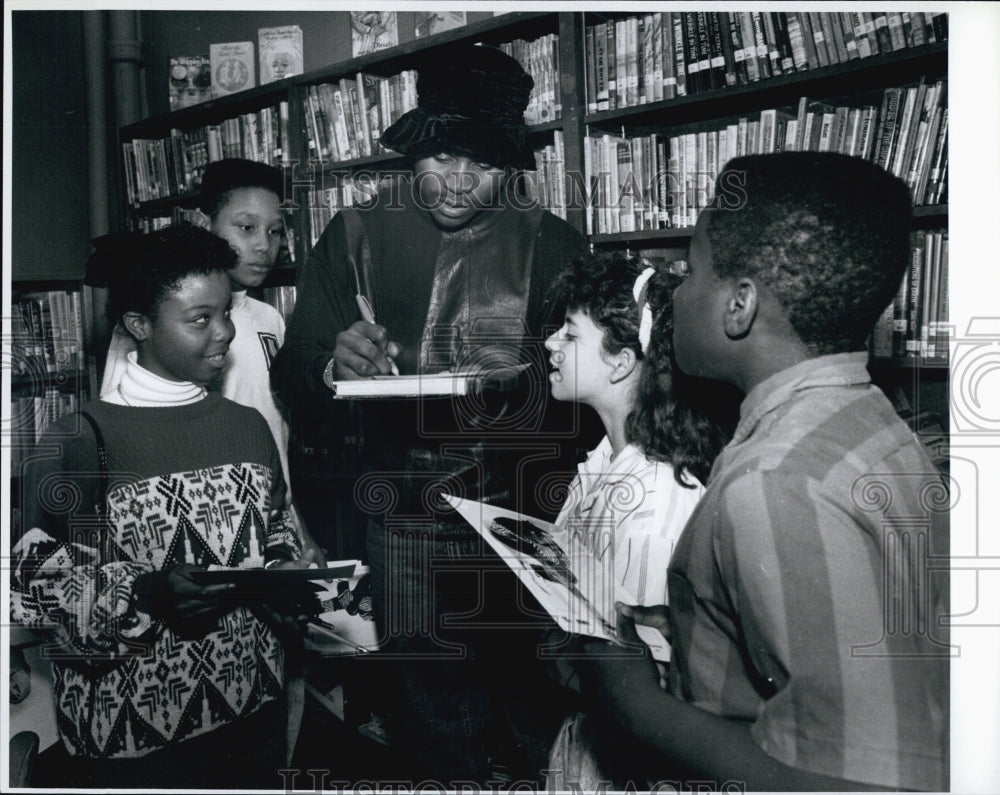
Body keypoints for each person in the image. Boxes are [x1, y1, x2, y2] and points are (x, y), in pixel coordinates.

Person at [565, 153, 949, 791]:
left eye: (690, 272)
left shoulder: (775, 481)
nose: (676, 292)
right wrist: (702, 629)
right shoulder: (867, 419)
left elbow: (856, 781)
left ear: (738, 306)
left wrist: (633, 702)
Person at [271, 43, 592, 784]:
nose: (455, 182)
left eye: (478, 164)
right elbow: (294, 372)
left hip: (519, 504)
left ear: (510, 165)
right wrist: (332, 361)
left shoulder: (554, 244)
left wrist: (527, 390)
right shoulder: (354, 234)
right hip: (400, 515)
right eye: (440, 158)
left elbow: (589, 408)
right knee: (423, 699)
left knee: (527, 696)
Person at [11, 225, 314, 789]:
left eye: (225, 312)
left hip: (251, 715)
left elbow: (275, 535)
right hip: (131, 737)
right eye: (200, 318)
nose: (224, 332)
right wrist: (146, 594)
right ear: (140, 325)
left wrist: (290, 586)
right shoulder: (78, 440)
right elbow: (34, 591)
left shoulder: (247, 426)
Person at [542, 254, 735, 790]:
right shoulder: (605, 461)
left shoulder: (654, 502)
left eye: (570, 334)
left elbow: (648, 678)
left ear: (623, 362)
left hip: (627, 754)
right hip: (591, 728)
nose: (550, 344)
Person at [99, 158, 325, 564]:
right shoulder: (159, 324)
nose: (263, 245)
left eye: (275, 231)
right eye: (246, 227)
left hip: (267, 523)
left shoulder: (269, 319)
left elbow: (277, 438)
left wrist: (297, 527)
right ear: (205, 223)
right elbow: (120, 441)